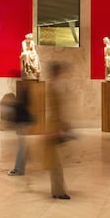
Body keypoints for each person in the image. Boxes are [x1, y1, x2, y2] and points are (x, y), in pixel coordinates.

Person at [43, 61, 72, 199]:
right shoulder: (54, 86)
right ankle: (59, 191)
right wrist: (56, 129)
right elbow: (55, 110)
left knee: (55, 162)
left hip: (54, 126)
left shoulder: (54, 85)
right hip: (53, 127)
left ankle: (57, 190)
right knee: (56, 162)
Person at [8, 87, 34, 176]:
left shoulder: (20, 105)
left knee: (21, 149)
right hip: (24, 126)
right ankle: (20, 169)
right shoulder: (25, 104)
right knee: (22, 148)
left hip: (21, 127)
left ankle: (18, 169)